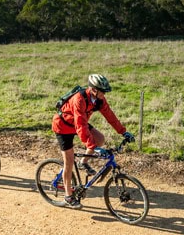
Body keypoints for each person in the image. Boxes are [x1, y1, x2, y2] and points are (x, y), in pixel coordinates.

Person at [51, 74, 134, 209]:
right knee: (69, 161)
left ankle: (83, 162)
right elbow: (81, 126)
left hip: (78, 123)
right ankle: (68, 196)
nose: (105, 94)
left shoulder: (99, 100)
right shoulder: (79, 99)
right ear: (94, 90)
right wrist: (91, 146)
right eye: (103, 91)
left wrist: (123, 131)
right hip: (63, 126)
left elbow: (110, 116)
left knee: (100, 139)